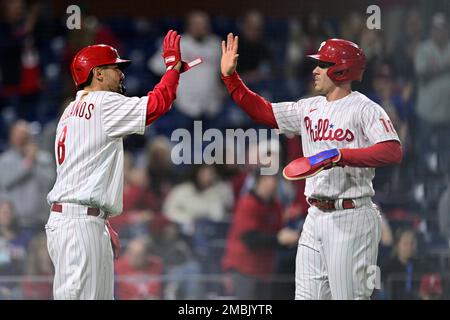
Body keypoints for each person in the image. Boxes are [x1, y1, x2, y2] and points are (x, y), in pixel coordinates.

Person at [220, 34, 403, 299]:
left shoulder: (365, 109)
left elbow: (392, 150)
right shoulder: (308, 107)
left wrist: (340, 155)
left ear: (341, 69)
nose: (315, 70)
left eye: (323, 65)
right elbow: (263, 112)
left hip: (350, 214)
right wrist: (231, 79)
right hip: (315, 215)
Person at [45, 30, 192, 300]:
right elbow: (156, 105)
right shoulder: (103, 102)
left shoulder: (69, 110)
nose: (121, 74)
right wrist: (172, 69)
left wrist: (100, 217)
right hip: (79, 223)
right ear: (97, 73)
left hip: (81, 219)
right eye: (115, 68)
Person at [222, 173, 299, 299]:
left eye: (275, 179)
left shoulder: (276, 206)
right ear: (260, 181)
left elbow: (278, 237)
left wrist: (289, 239)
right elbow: (250, 239)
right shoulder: (247, 203)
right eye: (270, 178)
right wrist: (279, 239)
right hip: (243, 269)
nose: (274, 182)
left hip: (265, 270)